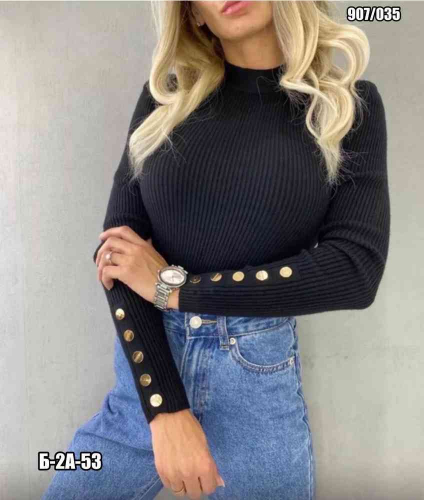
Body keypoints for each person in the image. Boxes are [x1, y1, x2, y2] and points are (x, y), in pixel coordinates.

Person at [42, 1, 390, 499]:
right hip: (145, 375)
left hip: (256, 388)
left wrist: (175, 290)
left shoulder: (348, 106)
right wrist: (164, 408)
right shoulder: (165, 99)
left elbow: (355, 270)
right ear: (195, 15)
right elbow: (118, 257)